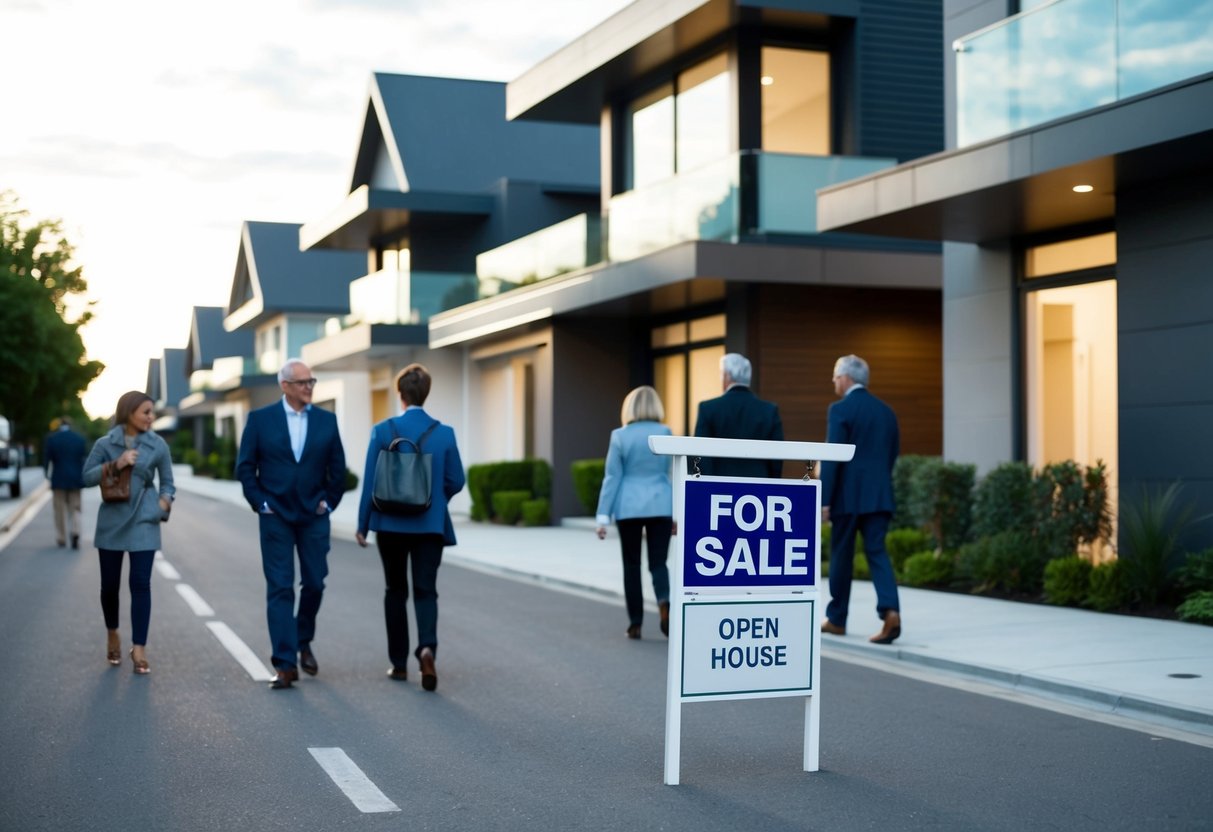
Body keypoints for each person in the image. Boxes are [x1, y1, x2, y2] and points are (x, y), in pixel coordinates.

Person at [236, 359, 347, 690]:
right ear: (284, 386)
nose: (309, 387)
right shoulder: (260, 420)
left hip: (313, 516)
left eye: (312, 381)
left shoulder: (327, 421)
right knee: (281, 587)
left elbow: (338, 469)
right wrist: (261, 503)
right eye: (302, 382)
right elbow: (245, 467)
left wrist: (329, 501)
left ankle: (302, 640)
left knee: (315, 583)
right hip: (276, 517)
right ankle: (285, 663)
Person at [355, 363, 465, 692]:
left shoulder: (382, 430)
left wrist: (363, 525)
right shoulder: (444, 433)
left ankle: (399, 664)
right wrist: (433, 498)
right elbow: (457, 480)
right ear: (425, 393)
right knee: (425, 590)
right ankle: (427, 649)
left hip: (389, 524)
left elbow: (370, 483)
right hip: (429, 526)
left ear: (400, 394)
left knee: (395, 591)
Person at [81, 392, 175, 674]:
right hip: (112, 519)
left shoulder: (157, 444)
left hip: (145, 519)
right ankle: (112, 633)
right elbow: (85, 477)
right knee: (109, 586)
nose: (151, 417)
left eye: (152, 412)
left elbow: (168, 482)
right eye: (146, 412)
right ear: (129, 412)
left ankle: (140, 649)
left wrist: (163, 503)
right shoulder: (105, 443)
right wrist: (115, 464)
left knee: (141, 583)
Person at [819, 354, 902, 644]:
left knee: (842, 556)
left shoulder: (840, 410)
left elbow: (833, 458)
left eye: (834, 376)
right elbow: (892, 454)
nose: (833, 381)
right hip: (880, 496)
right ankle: (891, 612)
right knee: (877, 552)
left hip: (846, 497)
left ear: (845, 378)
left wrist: (824, 499)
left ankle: (837, 619)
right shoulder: (886, 411)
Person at [595, 386, 674, 640]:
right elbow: (672, 475)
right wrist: (677, 514)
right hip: (661, 505)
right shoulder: (666, 432)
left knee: (632, 565)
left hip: (628, 507)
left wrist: (602, 516)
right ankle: (664, 602)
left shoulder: (619, 436)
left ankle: (636, 623)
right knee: (658, 563)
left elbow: (612, 477)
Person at [693, 352, 784, 477]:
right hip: (759, 485)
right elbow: (777, 457)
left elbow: (700, 454)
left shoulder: (708, 409)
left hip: (719, 486)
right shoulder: (769, 410)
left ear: (726, 376)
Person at [43, 416, 87, 549]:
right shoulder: (79, 439)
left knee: (59, 509)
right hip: (75, 478)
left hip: (58, 478)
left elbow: (47, 459)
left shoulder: (52, 439)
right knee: (75, 507)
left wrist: (46, 473)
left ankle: (61, 537)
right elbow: (83, 459)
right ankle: (75, 530)